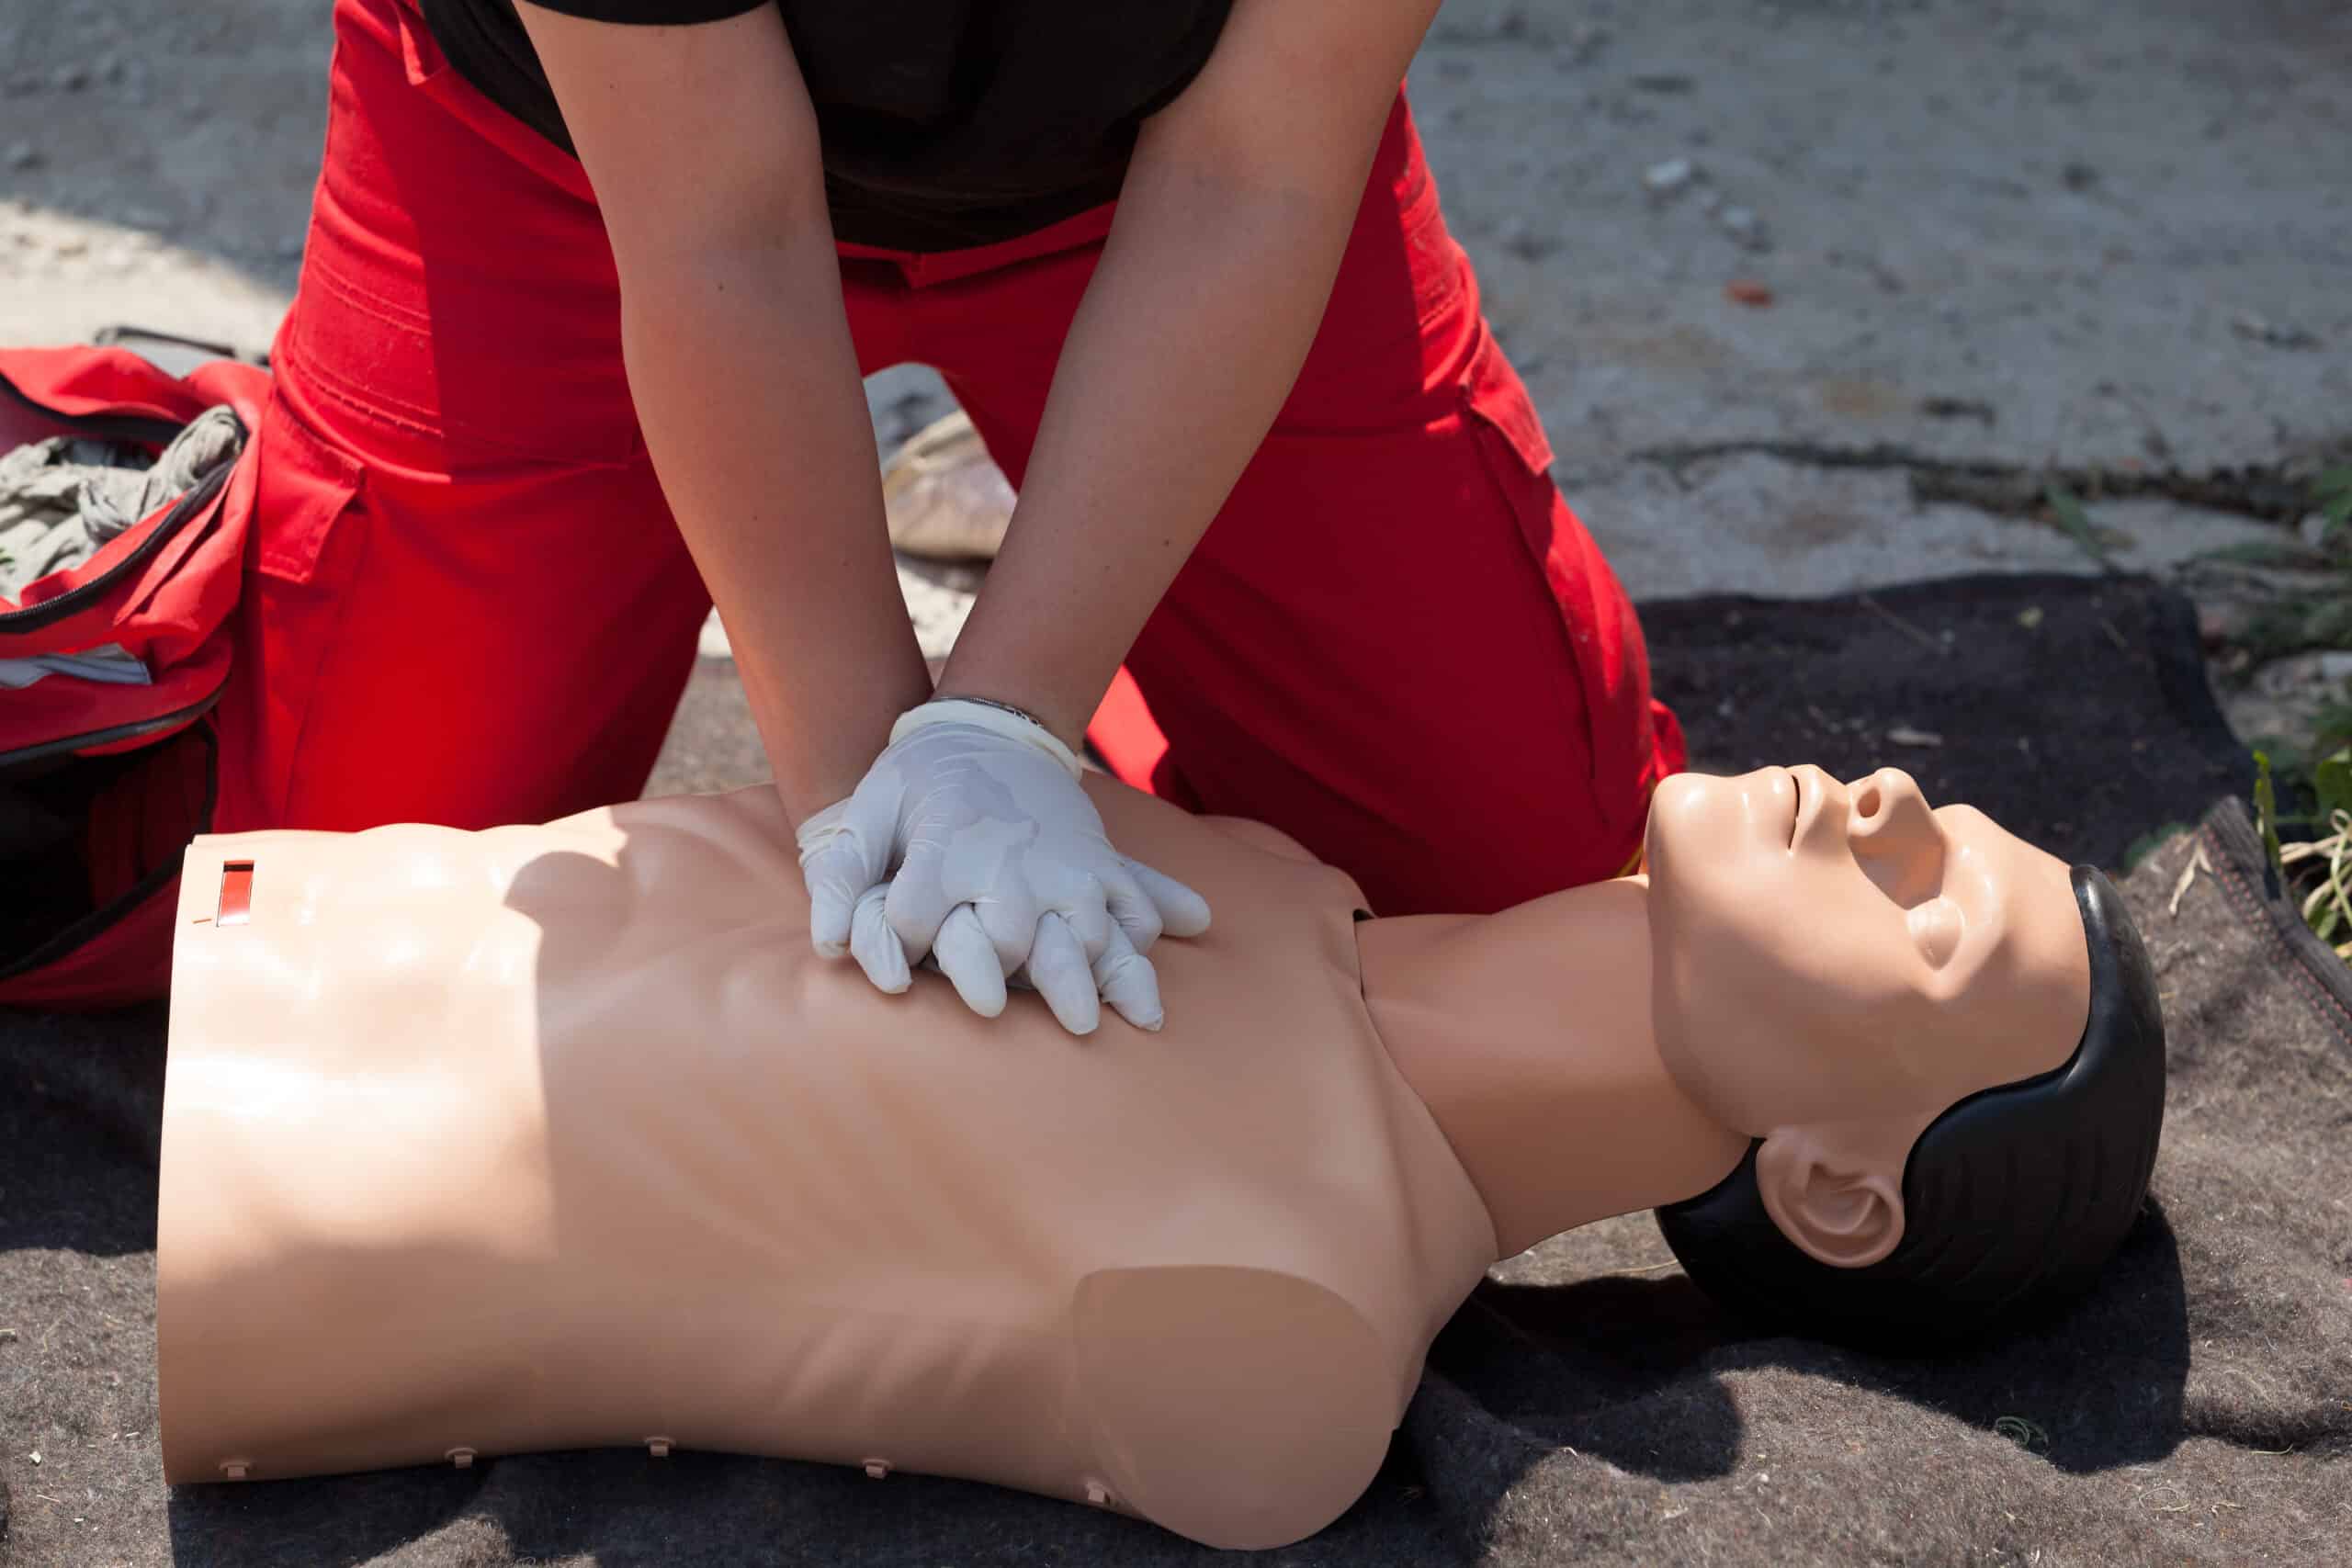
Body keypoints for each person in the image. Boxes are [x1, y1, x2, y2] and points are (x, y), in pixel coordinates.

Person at [157, 762, 2165, 1550]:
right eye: (1946, 816)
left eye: (1932, 913)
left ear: (1832, 1183)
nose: (1896, 796)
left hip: (249, 1203)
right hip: (268, 914)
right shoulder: (1292, 883)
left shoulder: (1283, 1332)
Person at [208, 0, 1684, 1032]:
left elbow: (1256, 170)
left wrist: (1003, 729)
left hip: (1168, 185)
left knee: (1511, 873)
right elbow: (719, 224)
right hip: (571, 161)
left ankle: (1074, 578)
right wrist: (878, 829)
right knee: (331, 910)